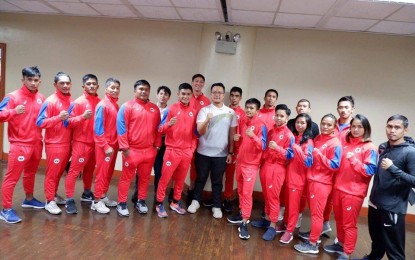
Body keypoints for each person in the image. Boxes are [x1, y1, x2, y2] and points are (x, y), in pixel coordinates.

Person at [357, 115, 415, 260]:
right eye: (389, 126)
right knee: (377, 240)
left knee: (394, 249)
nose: (392, 130)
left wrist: (393, 169)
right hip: (375, 202)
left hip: (392, 208)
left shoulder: (410, 152)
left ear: (405, 130)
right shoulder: (383, 146)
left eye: (397, 127)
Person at [323, 114, 378, 259]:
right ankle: (340, 244)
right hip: (339, 188)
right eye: (353, 126)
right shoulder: (345, 144)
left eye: (360, 126)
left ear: (366, 129)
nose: (356, 129)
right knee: (340, 220)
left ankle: (347, 253)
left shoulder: (369, 147)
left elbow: (370, 170)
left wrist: (354, 160)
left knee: (349, 224)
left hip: (354, 193)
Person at [0, 66, 45, 224]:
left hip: (37, 143)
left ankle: (29, 199)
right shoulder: (12, 97)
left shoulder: (41, 97)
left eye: (36, 80)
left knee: (30, 173)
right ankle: (5, 209)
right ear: (23, 80)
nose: (33, 83)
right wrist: (12, 111)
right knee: (12, 178)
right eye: (30, 80)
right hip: (20, 144)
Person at [187, 83, 237, 219]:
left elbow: (232, 134)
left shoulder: (231, 112)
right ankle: (195, 201)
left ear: (223, 95)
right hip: (203, 152)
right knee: (200, 178)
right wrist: (207, 120)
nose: (217, 94)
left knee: (217, 181)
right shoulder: (204, 110)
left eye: (220, 92)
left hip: (221, 154)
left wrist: (231, 152)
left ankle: (216, 206)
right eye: (214, 92)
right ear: (211, 94)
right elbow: (199, 131)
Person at [294, 114, 342, 254]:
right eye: (323, 124)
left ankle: (313, 244)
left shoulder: (335, 143)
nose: (325, 127)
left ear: (334, 127)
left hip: (322, 183)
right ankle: (314, 239)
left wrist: (320, 155)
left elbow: (335, 165)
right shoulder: (318, 138)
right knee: (315, 213)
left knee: (316, 215)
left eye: (329, 125)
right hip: (312, 180)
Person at [116, 80, 161, 217]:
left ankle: (141, 200)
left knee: (145, 178)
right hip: (132, 151)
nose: (143, 91)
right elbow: (121, 127)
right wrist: (125, 148)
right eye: (141, 89)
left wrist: (157, 146)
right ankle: (122, 202)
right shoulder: (127, 106)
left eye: (146, 89)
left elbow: (158, 129)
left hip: (149, 151)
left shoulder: (155, 108)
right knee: (126, 178)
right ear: (135, 90)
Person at [251, 104, 294, 241]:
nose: (279, 118)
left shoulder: (289, 135)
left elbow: (290, 155)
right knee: (267, 196)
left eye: (282, 116)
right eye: (277, 115)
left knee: (273, 197)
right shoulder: (271, 131)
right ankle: (267, 219)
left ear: (287, 118)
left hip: (277, 168)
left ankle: (273, 225)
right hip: (266, 166)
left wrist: (278, 148)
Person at [226, 98, 267, 240]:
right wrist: (237, 139)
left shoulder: (261, 125)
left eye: (252, 108)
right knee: (242, 192)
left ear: (257, 110)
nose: (249, 110)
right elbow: (242, 144)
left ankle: (244, 221)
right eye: (247, 107)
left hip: (251, 165)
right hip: (241, 162)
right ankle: (242, 213)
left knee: (247, 193)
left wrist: (253, 136)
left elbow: (263, 146)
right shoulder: (243, 120)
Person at [155, 83, 197, 217]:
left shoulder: (194, 111)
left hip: (186, 152)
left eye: (188, 94)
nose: (185, 96)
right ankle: (159, 203)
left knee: (180, 179)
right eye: (183, 94)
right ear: (178, 94)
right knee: (165, 178)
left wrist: (192, 149)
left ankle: (175, 202)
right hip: (172, 150)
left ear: (191, 95)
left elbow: (195, 134)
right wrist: (168, 124)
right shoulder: (171, 109)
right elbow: (159, 129)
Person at [36, 72, 73, 215]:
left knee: (58, 173)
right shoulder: (50, 101)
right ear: (55, 85)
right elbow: (40, 122)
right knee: (52, 173)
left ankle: (54, 195)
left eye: (67, 83)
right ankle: (49, 201)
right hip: (54, 144)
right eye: (61, 83)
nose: (65, 85)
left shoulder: (70, 101)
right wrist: (58, 118)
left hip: (67, 144)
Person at [64, 74, 100, 214]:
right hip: (81, 143)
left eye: (94, 84)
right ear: (83, 86)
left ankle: (86, 193)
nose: (91, 86)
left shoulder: (100, 102)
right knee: (73, 171)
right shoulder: (77, 102)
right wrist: (82, 117)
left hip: (95, 144)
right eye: (89, 83)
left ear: (97, 86)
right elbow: (67, 123)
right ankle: (69, 199)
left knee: (90, 170)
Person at [131, 85, 171, 204]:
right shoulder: (149, 108)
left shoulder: (170, 111)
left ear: (169, 97)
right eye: (161, 93)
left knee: (159, 171)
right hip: (147, 143)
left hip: (162, 144)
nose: (163, 96)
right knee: (142, 170)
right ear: (157, 95)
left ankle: (157, 195)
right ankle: (137, 192)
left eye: (166, 94)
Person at [279, 113, 314, 244]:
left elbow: (308, 162)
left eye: (302, 123)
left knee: (293, 207)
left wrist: (296, 148)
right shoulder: (295, 137)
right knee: (287, 204)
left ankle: (290, 231)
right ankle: (285, 224)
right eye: (297, 122)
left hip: (298, 180)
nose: (299, 125)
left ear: (307, 125)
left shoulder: (309, 142)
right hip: (288, 176)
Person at [90, 78, 121, 214]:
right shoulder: (103, 105)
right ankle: (96, 201)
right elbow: (98, 130)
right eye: (112, 87)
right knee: (102, 173)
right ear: (106, 89)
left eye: (117, 88)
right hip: (105, 146)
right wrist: (105, 146)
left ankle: (102, 195)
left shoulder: (115, 105)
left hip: (113, 145)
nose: (115, 90)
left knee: (108, 173)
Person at [187, 74, 210, 205]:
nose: (198, 83)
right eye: (196, 81)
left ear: (203, 84)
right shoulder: (187, 97)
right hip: (185, 137)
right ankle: (180, 191)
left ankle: (193, 191)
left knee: (196, 166)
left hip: (200, 138)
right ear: (192, 82)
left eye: (201, 82)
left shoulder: (206, 101)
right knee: (182, 164)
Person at [222, 86, 246, 212]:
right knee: (217, 174)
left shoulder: (242, 114)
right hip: (220, 147)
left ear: (240, 98)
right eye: (232, 95)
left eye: (237, 96)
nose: (234, 98)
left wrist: (238, 142)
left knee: (230, 176)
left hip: (234, 150)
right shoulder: (223, 110)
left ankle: (227, 199)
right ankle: (216, 197)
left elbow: (242, 133)